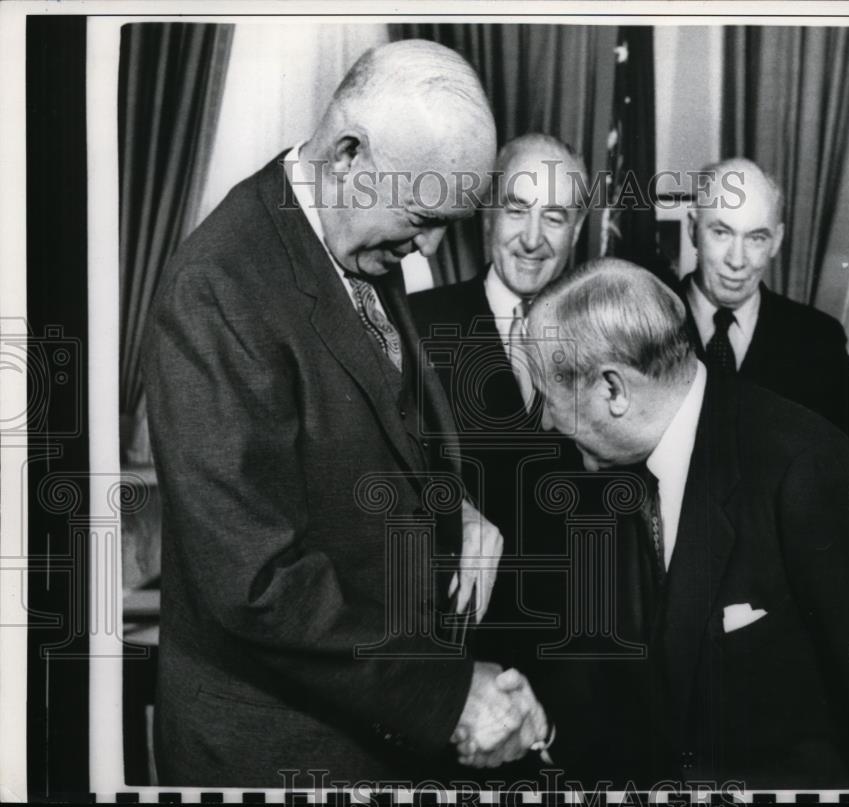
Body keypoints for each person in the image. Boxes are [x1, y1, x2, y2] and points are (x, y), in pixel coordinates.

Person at [142, 40, 546, 787]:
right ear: (350, 155)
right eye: (423, 216)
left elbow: (371, 436)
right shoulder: (217, 289)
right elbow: (258, 584)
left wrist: (455, 509)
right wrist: (450, 697)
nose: (428, 247)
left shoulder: (350, 238)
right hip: (280, 751)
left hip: (368, 734)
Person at [525, 257, 849, 789]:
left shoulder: (813, 475)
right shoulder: (604, 481)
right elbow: (621, 683)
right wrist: (543, 725)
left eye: (549, 393)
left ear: (613, 391)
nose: (544, 420)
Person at [408, 133, 591, 777]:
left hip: (578, 694)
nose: (532, 238)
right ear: (487, 212)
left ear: (579, 229)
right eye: (516, 209)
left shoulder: (609, 340)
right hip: (454, 691)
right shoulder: (413, 326)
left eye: (555, 216)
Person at [683, 157, 849, 458]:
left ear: (776, 240)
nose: (737, 260)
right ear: (692, 228)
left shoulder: (818, 339)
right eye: (721, 233)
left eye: (756, 238)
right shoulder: (643, 325)